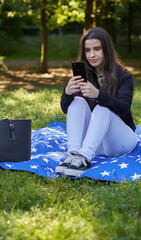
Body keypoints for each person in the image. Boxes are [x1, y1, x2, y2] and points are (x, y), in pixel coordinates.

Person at [55, 27, 137, 177]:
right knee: (78, 101)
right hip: (95, 142)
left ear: (106, 49)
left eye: (97, 49)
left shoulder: (124, 75)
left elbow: (124, 109)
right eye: (87, 50)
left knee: (103, 108)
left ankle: (84, 157)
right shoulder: (85, 74)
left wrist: (98, 94)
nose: (91, 55)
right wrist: (67, 93)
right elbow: (67, 109)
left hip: (121, 141)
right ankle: (73, 153)